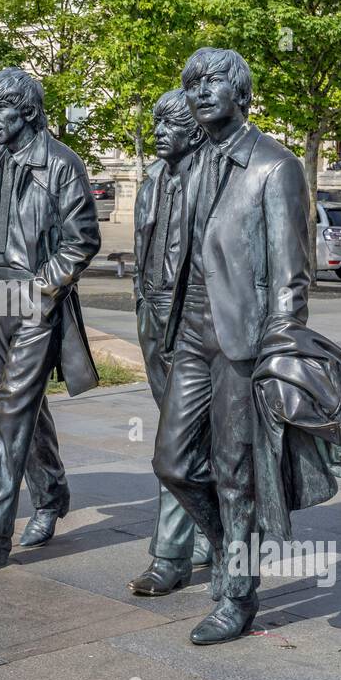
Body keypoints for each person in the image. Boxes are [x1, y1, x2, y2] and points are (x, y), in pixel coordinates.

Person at [152, 47, 341, 646]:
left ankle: (238, 593)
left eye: (215, 81)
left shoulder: (275, 167)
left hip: (243, 340)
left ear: (241, 91)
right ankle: (227, 548)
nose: (202, 91)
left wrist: (280, 351)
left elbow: (292, 273)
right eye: (193, 83)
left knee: (235, 471)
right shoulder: (191, 165)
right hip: (189, 332)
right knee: (172, 462)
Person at [0, 67, 101, 570]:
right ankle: (52, 494)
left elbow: (82, 241)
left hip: (36, 301)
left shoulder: (61, 164)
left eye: (1, 109)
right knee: (24, 406)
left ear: (30, 111)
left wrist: (40, 288)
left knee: (12, 411)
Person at [126, 89, 211, 598]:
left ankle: (170, 555)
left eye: (169, 123)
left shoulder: (214, 178)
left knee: (173, 443)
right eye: (155, 122)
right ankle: (210, 533)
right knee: (180, 435)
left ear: (196, 128)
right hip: (153, 315)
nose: (158, 131)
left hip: (196, 321)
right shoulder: (154, 178)